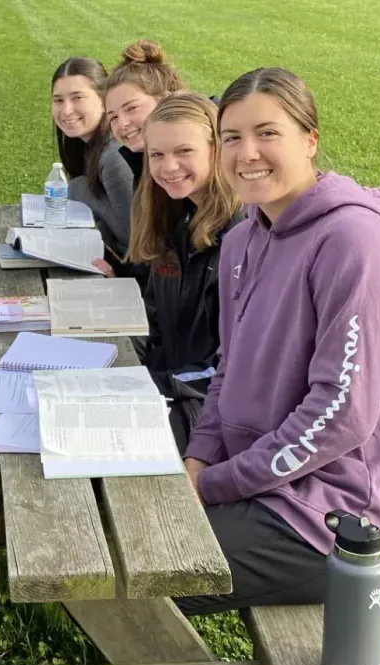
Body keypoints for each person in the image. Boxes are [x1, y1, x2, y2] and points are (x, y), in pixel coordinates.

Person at [176, 68, 380, 615]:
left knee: (147, 568)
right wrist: (199, 457)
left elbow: (342, 413)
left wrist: (220, 483)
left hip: (326, 518)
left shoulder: (355, 244)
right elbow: (228, 367)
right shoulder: (241, 239)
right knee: (129, 524)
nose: (247, 153)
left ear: (310, 140)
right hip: (255, 480)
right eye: (231, 137)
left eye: (268, 133)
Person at [127, 91, 243, 452]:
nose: (168, 167)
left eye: (183, 151)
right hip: (171, 390)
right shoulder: (177, 220)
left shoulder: (242, 235)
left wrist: (147, 384)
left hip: (215, 414)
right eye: (157, 155)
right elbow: (155, 320)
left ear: (216, 149)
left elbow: (232, 365)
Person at [50, 56, 136, 279]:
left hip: (140, 285)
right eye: (58, 100)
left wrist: (80, 190)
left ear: (104, 100)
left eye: (77, 98)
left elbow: (134, 238)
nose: (66, 110)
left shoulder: (113, 156)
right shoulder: (89, 148)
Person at [103, 40, 186, 190]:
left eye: (132, 108)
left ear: (165, 99)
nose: (122, 124)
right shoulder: (141, 164)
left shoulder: (208, 158)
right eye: (113, 117)